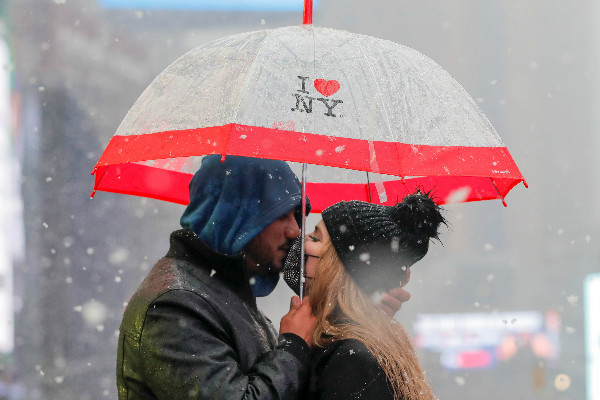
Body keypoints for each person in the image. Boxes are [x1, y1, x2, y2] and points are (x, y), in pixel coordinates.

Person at [116, 154, 411, 400]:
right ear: (239, 216)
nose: (295, 231)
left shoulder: (221, 291)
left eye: (297, 216)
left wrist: (352, 309)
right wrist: (293, 346)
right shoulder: (175, 306)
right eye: (280, 214)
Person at [282, 190, 446, 399]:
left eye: (315, 237)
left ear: (338, 269)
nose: (302, 241)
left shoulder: (351, 360)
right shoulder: (350, 347)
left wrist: (290, 348)